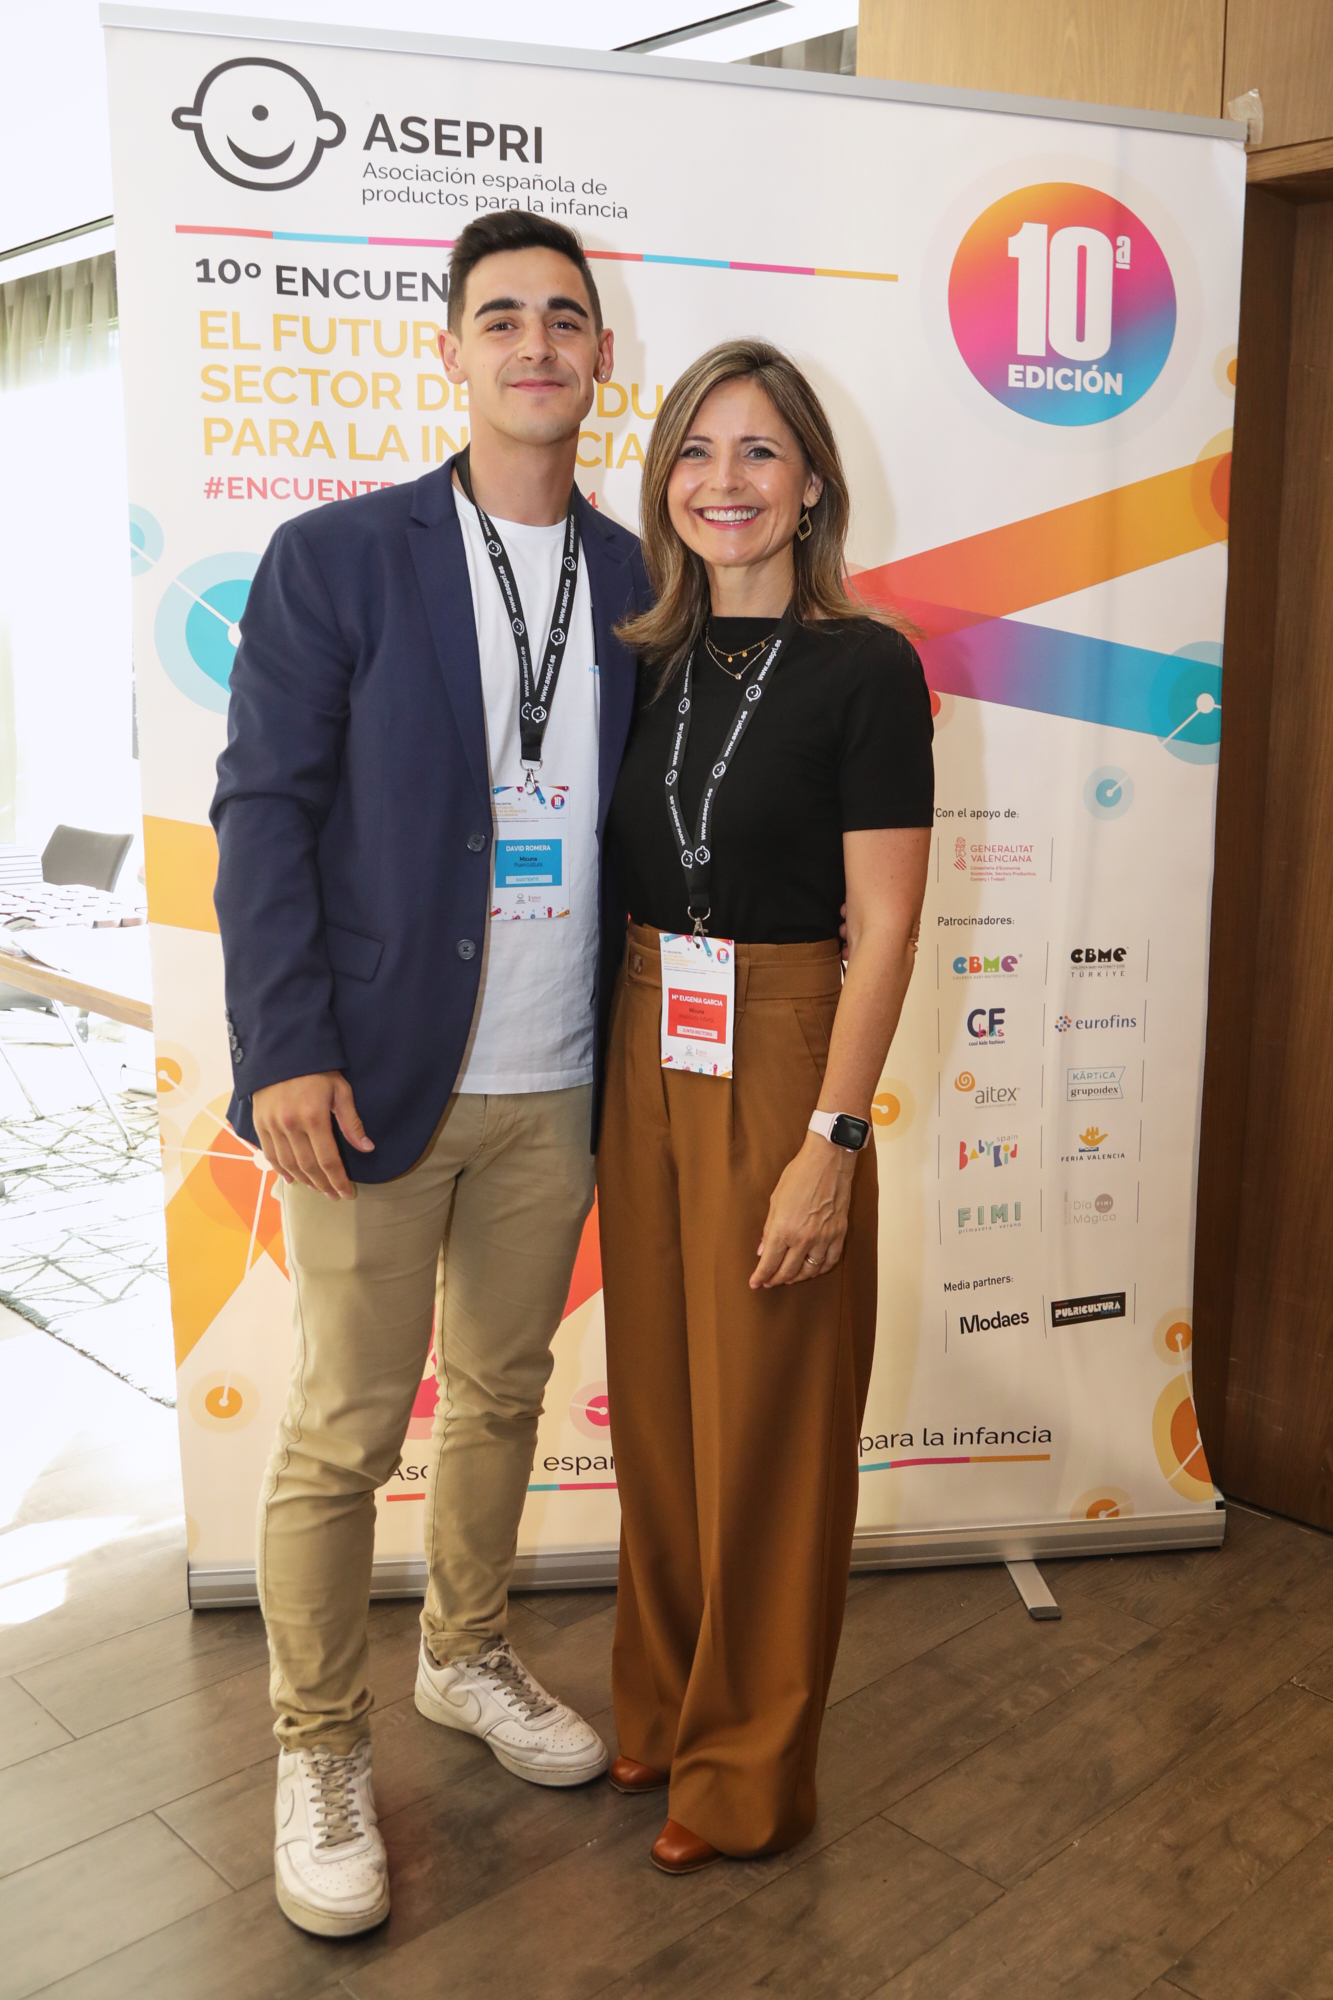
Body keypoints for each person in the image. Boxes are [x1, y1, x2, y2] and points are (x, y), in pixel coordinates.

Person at [211, 211, 648, 1938]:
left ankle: (463, 1653)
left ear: (598, 355)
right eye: (502, 317)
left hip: (562, 1080)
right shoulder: (338, 557)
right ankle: (317, 1746)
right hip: (374, 1078)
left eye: (565, 318)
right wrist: (285, 1047)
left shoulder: (639, 578)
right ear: (451, 351)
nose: (536, 344)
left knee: (503, 1392)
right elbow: (264, 812)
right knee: (341, 1432)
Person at [596, 339, 933, 1871]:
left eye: (756, 452)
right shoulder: (640, 658)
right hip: (645, 1029)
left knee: (775, 1426)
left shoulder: (866, 667)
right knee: (662, 1408)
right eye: (694, 450)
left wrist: (832, 1145)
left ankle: (746, 1773)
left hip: (789, 1039)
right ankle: (665, 1706)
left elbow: (888, 929)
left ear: (810, 488)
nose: (720, 481)